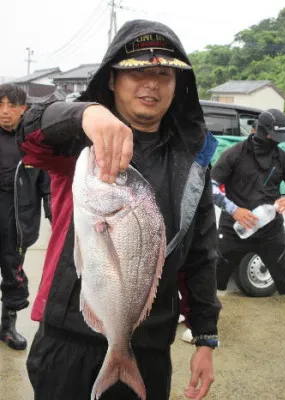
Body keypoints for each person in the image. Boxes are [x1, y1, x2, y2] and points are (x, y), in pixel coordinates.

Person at [18, 20, 221, 400]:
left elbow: (200, 253)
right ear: (111, 79)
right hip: (66, 343)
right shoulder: (80, 139)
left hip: (149, 349)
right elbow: (27, 133)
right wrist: (84, 114)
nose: (152, 83)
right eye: (137, 71)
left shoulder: (193, 160)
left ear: (179, 85)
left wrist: (206, 337)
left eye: (164, 74)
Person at [210, 108, 285, 315]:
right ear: (261, 131)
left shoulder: (282, 158)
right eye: (273, 136)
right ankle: (199, 326)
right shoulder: (234, 154)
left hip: (271, 232)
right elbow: (211, 186)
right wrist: (234, 210)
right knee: (209, 279)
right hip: (234, 228)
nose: (276, 141)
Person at [0, 84, 51, 350]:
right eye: (0, 105)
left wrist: (56, 218)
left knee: (13, 271)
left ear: (24, 109)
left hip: (17, 217)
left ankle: (7, 327)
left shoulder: (34, 142)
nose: (5, 112)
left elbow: (48, 186)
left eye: (11, 105)